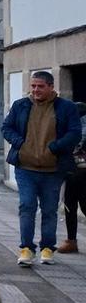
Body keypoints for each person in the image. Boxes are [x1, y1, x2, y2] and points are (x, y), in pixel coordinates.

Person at [1, 70, 82, 267]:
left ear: (51, 87)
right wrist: (19, 142)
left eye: (40, 86)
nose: (35, 90)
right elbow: (6, 128)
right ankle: (26, 249)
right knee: (27, 206)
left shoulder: (66, 108)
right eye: (33, 86)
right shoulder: (21, 105)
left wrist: (55, 147)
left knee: (49, 210)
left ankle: (47, 247)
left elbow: (75, 133)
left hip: (53, 169)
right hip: (25, 167)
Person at [61, 102, 86, 254]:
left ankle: (71, 240)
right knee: (70, 205)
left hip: (81, 171)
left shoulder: (77, 126)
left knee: (74, 205)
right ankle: (71, 241)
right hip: (72, 170)